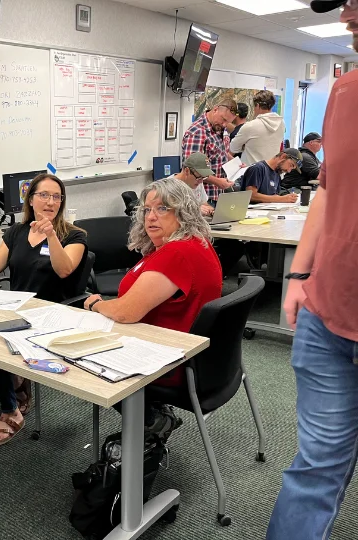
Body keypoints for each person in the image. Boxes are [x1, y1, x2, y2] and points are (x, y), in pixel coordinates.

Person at [267, 2, 358, 538]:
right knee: (315, 468)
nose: (347, 15)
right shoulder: (345, 91)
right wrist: (299, 276)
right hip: (327, 317)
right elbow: (328, 189)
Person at [83, 178, 222, 439]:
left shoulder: (176, 254)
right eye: (147, 209)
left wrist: (97, 304)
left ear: (183, 212)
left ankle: (152, 419)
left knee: (84, 359)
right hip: (194, 355)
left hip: (169, 361)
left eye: (162, 208)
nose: (151, 217)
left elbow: (126, 312)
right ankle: (153, 413)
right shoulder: (194, 242)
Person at [0, 173, 87, 446]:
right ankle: (16, 385)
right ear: (31, 199)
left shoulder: (74, 235)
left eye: (56, 197)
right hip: (17, 310)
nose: (50, 202)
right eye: (44, 195)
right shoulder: (16, 232)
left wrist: (51, 235)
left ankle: (11, 411)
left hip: (52, 313)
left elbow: (64, 270)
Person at [182, 98, 238, 206]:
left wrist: (236, 163)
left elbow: (220, 153)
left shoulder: (218, 128)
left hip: (218, 195)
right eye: (223, 119)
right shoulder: (197, 132)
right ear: (215, 109)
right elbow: (193, 169)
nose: (224, 124)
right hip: (204, 198)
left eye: (228, 122)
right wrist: (217, 181)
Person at [229, 90, 285, 166]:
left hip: (251, 170)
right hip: (271, 170)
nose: (254, 110)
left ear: (257, 105)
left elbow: (233, 148)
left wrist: (245, 146)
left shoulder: (250, 126)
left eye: (254, 107)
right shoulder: (281, 124)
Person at [166, 152, 215, 217]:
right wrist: (194, 211)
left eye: (203, 177)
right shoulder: (168, 187)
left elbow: (204, 204)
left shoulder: (197, 182)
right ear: (187, 171)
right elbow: (168, 214)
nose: (201, 181)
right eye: (199, 177)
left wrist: (211, 210)